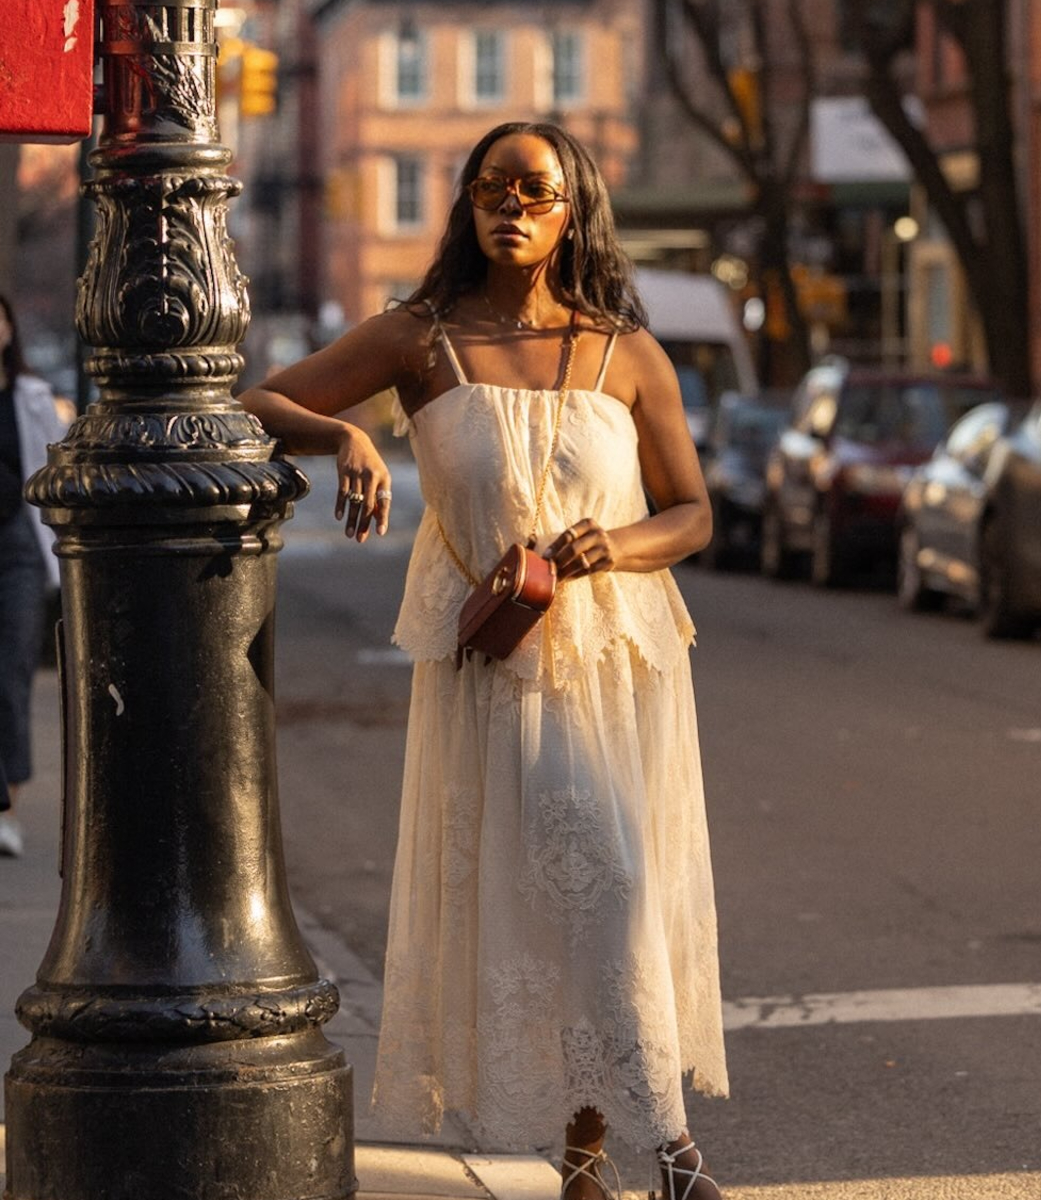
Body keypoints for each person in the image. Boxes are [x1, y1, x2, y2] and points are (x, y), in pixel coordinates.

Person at [239, 122, 729, 1200]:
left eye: (536, 189)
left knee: (615, 897)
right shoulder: (419, 341)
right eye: (490, 187)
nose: (510, 204)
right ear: (466, 205)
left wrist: (614, 544)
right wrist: (347, 437)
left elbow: (693, 511)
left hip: (622, 664)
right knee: (585, 897)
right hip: (500, 672)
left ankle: (592, 1160)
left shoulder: (627, 352)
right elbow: (253, 403)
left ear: (571, 211)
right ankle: (675, 1160)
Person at [0, 294, 66, 857]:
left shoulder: (32, 396)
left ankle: (9, 810)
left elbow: (51, 470)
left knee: (12, 675)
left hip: (18, 544)